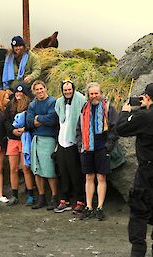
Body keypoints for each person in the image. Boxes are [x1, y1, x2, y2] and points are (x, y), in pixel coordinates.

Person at [116, 83, 153, 257]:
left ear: (148, 98)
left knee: (139, 213)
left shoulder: (145, 117)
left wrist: (126, 110)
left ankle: (138, 251)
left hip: (147, 173)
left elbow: (121, 128)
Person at [77, 82, 118, 221]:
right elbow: (79, 128)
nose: (94, 96)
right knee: (89, 177)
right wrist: (80, 145)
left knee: (101, 178)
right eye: (91, 94)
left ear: (101, 93)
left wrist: (108, 146)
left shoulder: (108, 108)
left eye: (96, 93)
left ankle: (99, 208)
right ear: (88, 95)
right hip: (87, 148)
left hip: (102, 147)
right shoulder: (84, 108)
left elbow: (114, 128)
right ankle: (88, 207)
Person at [54, 79, 86, 214]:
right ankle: (64, 200)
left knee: (76, 173)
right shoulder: (59, 103)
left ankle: (80, 201)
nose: (67, 92)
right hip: (62, 141)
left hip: (73, 141)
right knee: (63, 172)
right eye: (65, 90)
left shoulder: (80, 101)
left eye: (69, 90)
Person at [26, 80, 59, 209]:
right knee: (37, 170)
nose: (39, 91)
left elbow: (52, 120)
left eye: (41, 88)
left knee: (50, 170)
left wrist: (37, 118)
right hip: (36, 139)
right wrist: (39, 119)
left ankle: (54, 198)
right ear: (34, 91)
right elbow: (28, 122)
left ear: (45, 88)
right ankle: (42, 197)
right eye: (37, 90)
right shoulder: (32, 104)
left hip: (49, 139)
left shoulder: (52, 102)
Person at [4, 83, 35, 206]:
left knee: (26, 168)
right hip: (12, 139)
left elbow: (31, 120)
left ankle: (31, 195)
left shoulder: (30, 105)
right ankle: (14, 195)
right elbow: (5, 121)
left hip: (25, 139)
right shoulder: (10, 105)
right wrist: (12, 130)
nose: (18, 94)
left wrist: (24, 129)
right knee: (13, 169)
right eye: (17, 92)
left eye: (21, 92)